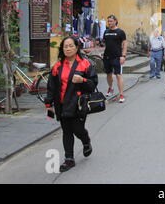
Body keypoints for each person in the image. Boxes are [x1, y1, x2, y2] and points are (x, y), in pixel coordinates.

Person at [45, 36, 98, 172]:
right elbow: (51, 86)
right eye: (65, 46)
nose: (68, 48)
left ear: (76, 47)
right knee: (67, 130)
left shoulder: (85, 64)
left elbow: (93, 85)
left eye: (70, 46)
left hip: (78, 104)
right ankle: (69, 159)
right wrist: (48, 103)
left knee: (77, 129)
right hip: (62, 104)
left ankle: (86, 140)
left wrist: (82, 80)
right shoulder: (58, 66)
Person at [102, 15, 127, 103]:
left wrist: (123, 56)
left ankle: (121, 94)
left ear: (116, 21)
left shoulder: (120, 32)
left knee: (118, 75)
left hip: (117, 57)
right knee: (108, 74)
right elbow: (105, 44)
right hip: (107, 57)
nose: (109, 23)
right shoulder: (106, 31)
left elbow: (124, 44)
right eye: (108, 21)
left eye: (111, 21)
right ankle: (111, 88)